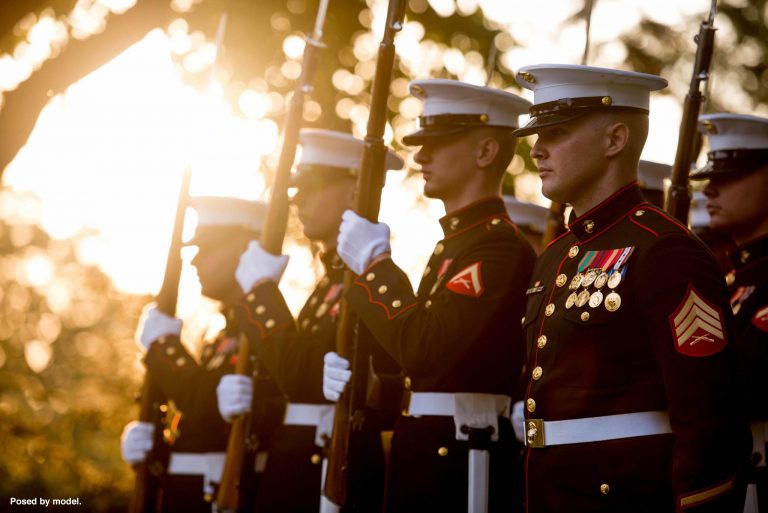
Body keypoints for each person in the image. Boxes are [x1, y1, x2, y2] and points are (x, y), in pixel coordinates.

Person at [511, 63, 751, 512]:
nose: (537, 150)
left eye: (556, 133)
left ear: (615, 139)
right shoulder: (555, 256)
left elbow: (711, 421)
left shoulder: (664, 250)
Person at [327, 79, 536, 512]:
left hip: (462, 464)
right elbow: (419, 368)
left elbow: (426, 348)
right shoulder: (457, 245)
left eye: (437, 143)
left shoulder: (498, 247)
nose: (421, 156)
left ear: (485, 152)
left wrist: (376, 267)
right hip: (428, 457)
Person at [217, 128, 404, 512]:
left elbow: (301, 374)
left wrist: (261, 296)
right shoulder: (330, 283)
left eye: (313, 187)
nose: (298, 199)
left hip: (331, 471)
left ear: (355, 191)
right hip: (297, 468)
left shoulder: (370, 283)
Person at [120, 196, 279, 513]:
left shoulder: (264, 335)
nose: (194, 261)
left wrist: (165, 349)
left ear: (245, 249)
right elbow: (198, 421)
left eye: (207, 248)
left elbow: (208, 405)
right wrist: (157, 443)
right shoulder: (221, 337)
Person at [690, 113, 768, 513]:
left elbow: (746, 380)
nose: (710, 189)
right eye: (709, 178)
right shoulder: (729, 275)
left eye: (730, 176)